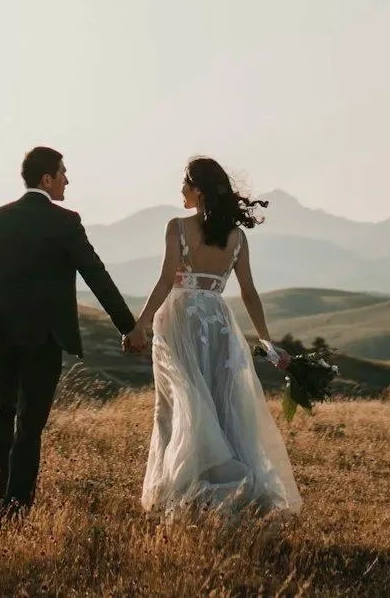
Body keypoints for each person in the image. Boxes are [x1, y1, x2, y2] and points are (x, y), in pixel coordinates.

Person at [0, 146, 141, 519]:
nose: (68, 180)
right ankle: (18, 505)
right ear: (46, 179)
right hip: (45, 336)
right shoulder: (66, 222)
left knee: (2, 411)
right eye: (63, 173)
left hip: (0, 332)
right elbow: (96, 275)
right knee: (30, 423)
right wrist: (128, 327)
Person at [126, 156, 302, 518]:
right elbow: (249, 292)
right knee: (222, 404)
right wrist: (266, 340)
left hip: (180, 321)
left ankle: (186, 488)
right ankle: (228, 487)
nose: (181, 191)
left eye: (185, 184)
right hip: (218, 324)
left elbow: (164, 280)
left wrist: (141, 323)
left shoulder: (176, 227)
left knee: (179, 403)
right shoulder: (237, 238)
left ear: (198, 190)